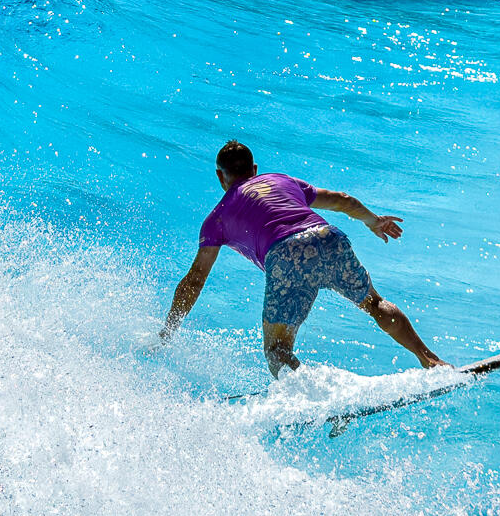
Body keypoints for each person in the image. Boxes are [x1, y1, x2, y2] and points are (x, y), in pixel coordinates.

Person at [160, 139, 447, 376]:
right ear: (255, 169)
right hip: (327, 236)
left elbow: (195, 281)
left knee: (277, 350)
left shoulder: (217, 218)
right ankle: (430, 360)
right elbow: (341, 199)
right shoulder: (281, 180)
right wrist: (373, 221)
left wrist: (168, 330)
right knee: (375, 303)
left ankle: (318, 396)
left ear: (220, 177)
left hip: (285, 256)